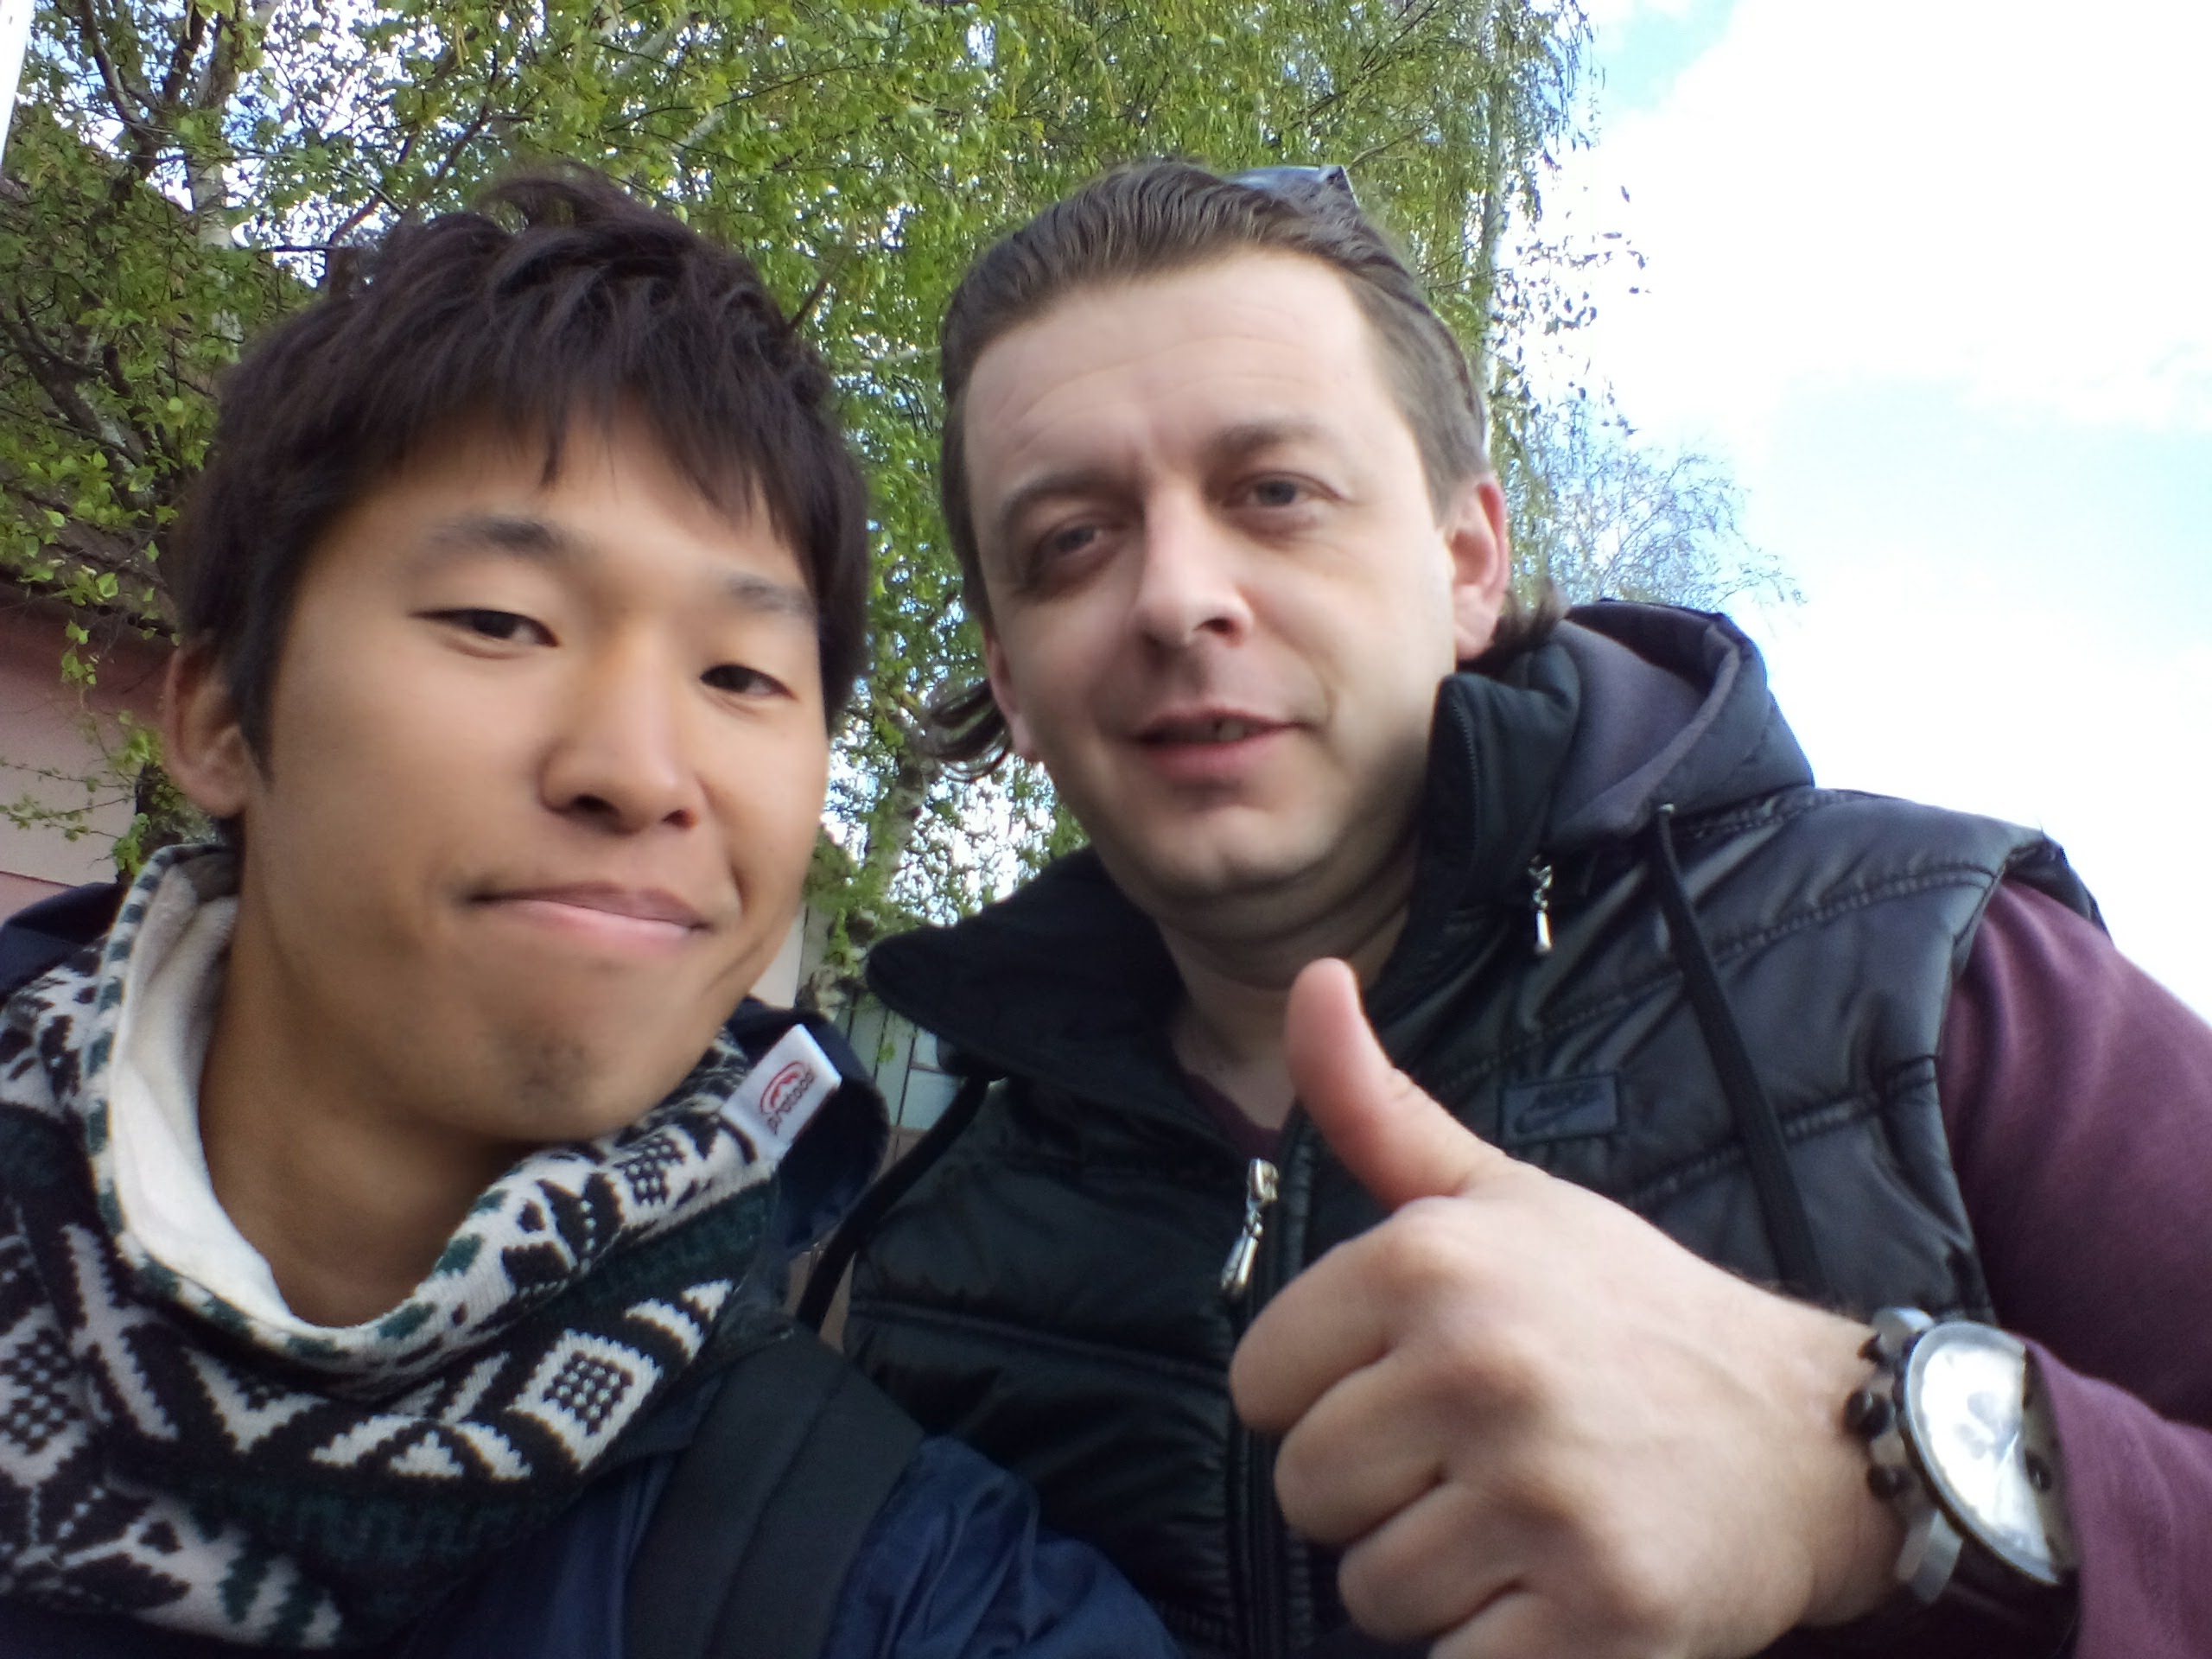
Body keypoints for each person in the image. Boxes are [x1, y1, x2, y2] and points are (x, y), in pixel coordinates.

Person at [831, 161, 2212, 1659]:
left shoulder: (1934, 972)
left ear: (1467, 564)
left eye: (1274, 494)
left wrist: (1866, 1477)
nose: (1176, 596)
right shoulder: (913, 1237)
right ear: (1014, 682)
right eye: (1072, 542)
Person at [0, 168, 1180, 1659]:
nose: (637, 771)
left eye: (741, 675)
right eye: (500, 622)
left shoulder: (902, 1581)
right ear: (223, 716)